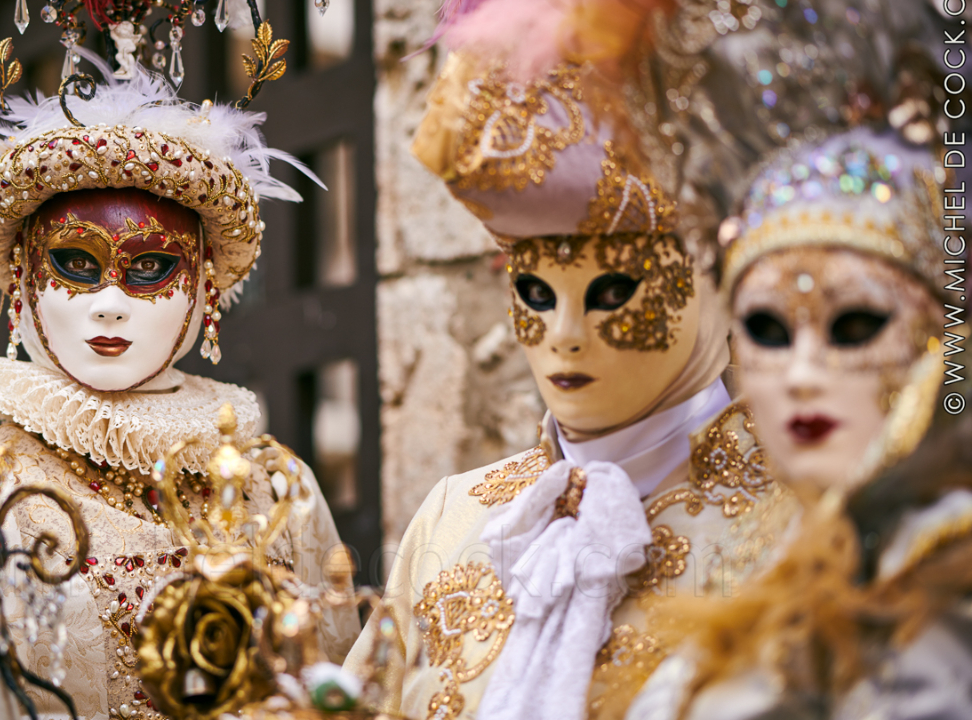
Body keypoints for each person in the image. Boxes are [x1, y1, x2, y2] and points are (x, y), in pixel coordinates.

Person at [0, 67, 359, 720]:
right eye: (74, 264)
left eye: (150, 269)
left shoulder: (273, 489)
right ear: (22, 277)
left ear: (204, 291)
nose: (109, 305)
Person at [341, 2, 797, 718]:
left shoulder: (806, 526)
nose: (566, 333)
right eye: (534, 291)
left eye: (613, 290)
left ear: (713, 276)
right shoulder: (458, 517)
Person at [618, 0, 972, 717]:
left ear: (944, 339)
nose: (803, 375)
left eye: (855, 325)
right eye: (770, 331)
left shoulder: (946, 615)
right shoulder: (765, 604)